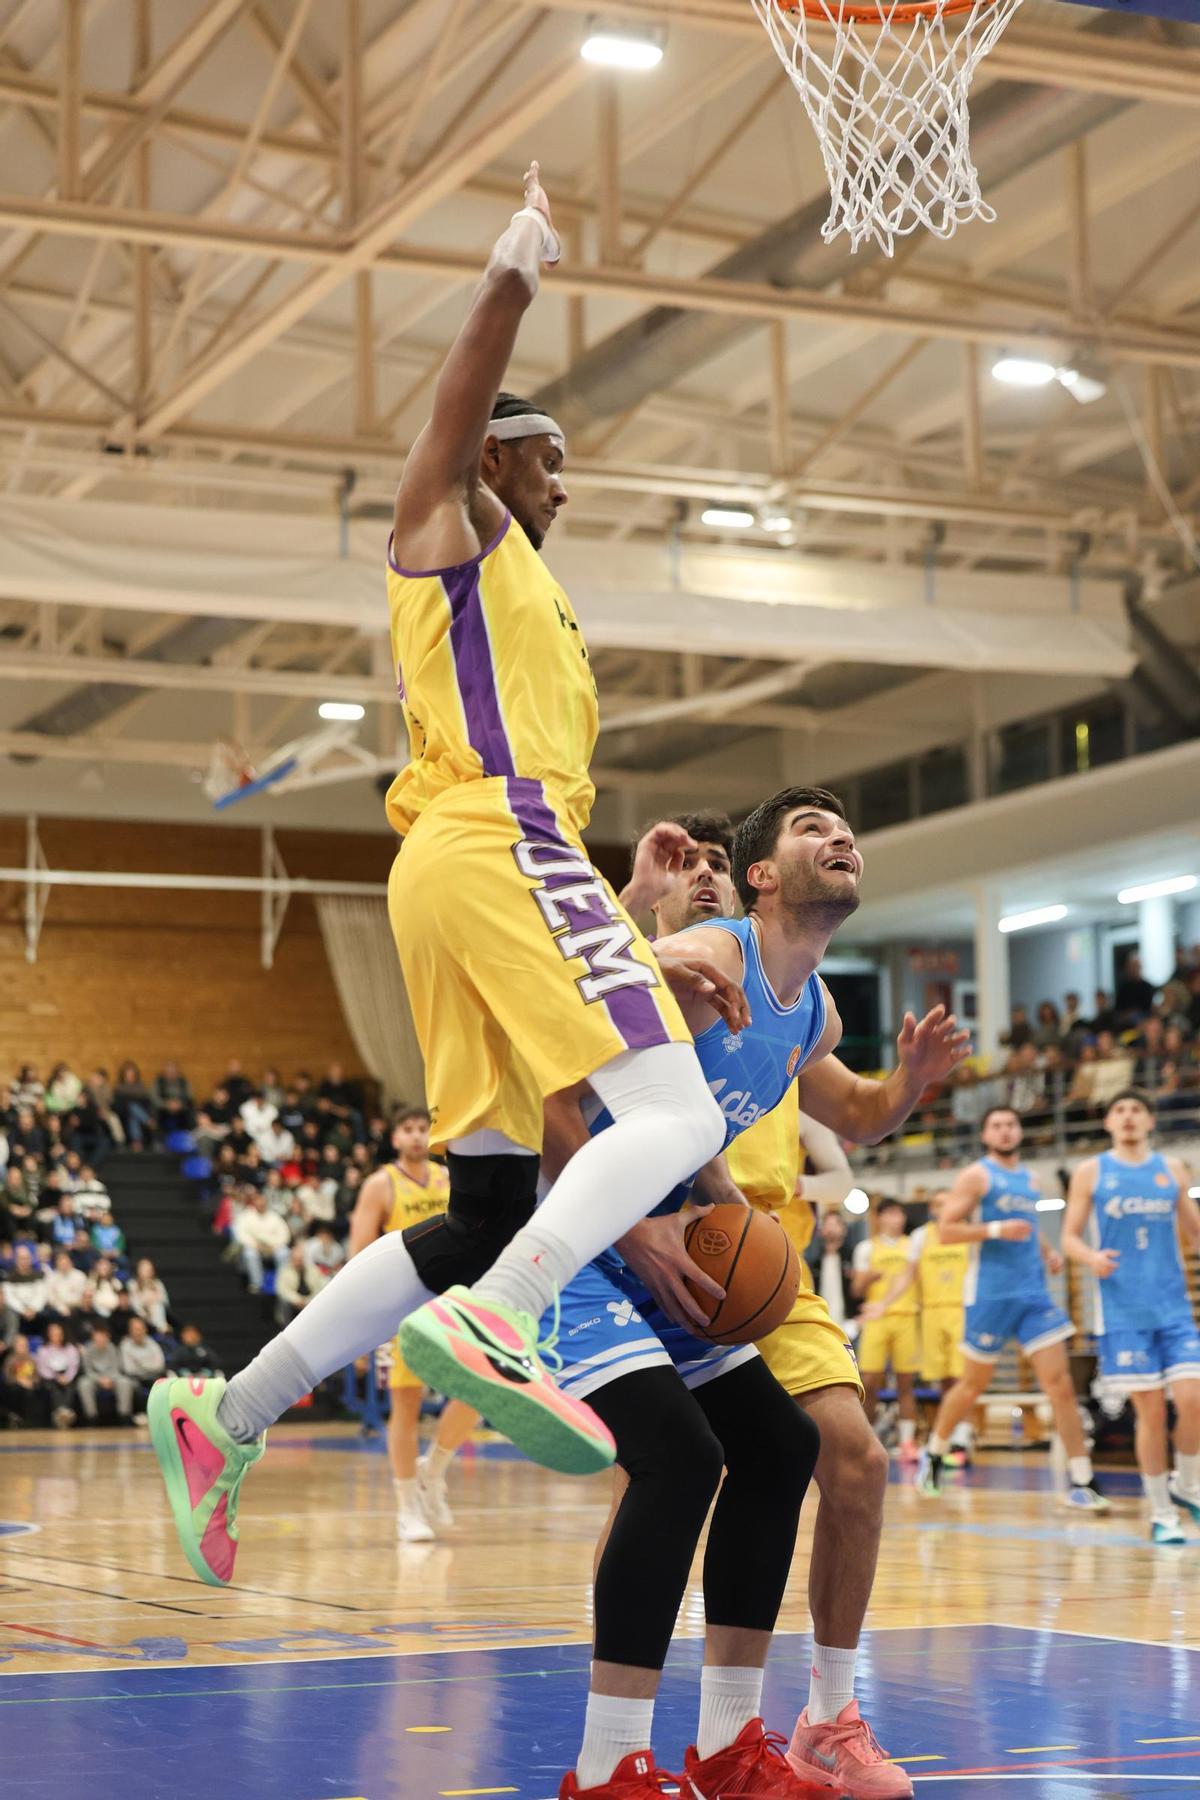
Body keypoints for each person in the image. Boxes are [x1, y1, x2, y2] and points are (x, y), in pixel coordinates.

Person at [148, 161, 750, 1586]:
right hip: (494, 840)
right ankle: (515, 1309)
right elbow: (449, 419)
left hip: (481, 857)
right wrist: (512, 274)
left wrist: (630, 889)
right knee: (665, 1105)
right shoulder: (457, 527)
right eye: (547, 455)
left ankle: (228, 1415)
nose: (564, 476)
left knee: (477, 1206)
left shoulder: (529, 588)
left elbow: (537, 777)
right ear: (496, 459)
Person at [549, 789, 967, 1800]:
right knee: (681, 1460)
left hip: (681, 1249)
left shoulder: (811, 1007)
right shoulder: (712, 966)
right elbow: (552, 1093)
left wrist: (905, 1082)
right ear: (763, 877)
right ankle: (607, 1768)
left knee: (781, 1445)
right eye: (811, 828)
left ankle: (732, 1750)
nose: (842, 837)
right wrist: (636, 1224)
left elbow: (733, 1133)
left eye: (847, 828)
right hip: (583, 1240)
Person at [916, 1107, 1107, 1510]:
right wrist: (996, 1230)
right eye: (997, 1125)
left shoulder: (1031, 1178)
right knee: (971, 1387)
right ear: (986, 1135)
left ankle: (1081, 1478)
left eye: (1011, 1124)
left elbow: (1028, 1226)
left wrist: (1047, 1251)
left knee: (1061, 1388)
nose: (1005, 1131)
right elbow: (946, 1230)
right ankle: (933, 1453)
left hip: (1034, 1296)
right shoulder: (977, 1175)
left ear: (1020, 1131)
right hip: (990, 1295)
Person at [1062, 1090, 1200, 1544]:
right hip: (1122, 1311)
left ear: (1150, 1120)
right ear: (1107, 1122)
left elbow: (1195, 1232)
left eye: (1136, 1110)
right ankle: (1161, 1511)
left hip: (1174, 1307)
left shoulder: (1172, 1170)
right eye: (1119, 1110)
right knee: (1153, 1412)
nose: (1127, 1117)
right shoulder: (1092, 1171)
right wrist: (1092, 1256)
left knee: (1193, 1399)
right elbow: (1069, 1238)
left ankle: (1187, 1486)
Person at [347, 1109, 480, 1542]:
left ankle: (434, 1469)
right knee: (405, 1406)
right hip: (404, 1307)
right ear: (394, 1137)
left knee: (484, 1389)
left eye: (424, 1128)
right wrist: (371, 1314)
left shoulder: (448, 1177)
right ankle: (407, 1509)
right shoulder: (380, 1184)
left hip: (455, 1302)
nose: (418, 1136)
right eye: (408, 1129)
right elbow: (359, 1253)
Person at [862, 1192, 972, 1465]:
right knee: (944, 1381)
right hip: (931, 1312)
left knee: (964, 1381)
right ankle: (945, 1440)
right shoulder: (922, 1236)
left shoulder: (969, 1233)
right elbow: (907, 1277)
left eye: (946, 1202)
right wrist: (883, 1304)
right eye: (937, 1204)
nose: (941, 1208)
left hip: (962, 1309)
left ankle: (963, 1439)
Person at [852, 1200, 920, 1464]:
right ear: (879, 1218)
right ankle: (865, 1439)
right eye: (891, 1214)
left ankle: (907, 1442)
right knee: (869, 1381)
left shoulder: (912, 1245)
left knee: (906, 1383)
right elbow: (856, 1290)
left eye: (900, 1214)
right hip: (876, 1319)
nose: (897, 1219)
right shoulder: (867, 1248)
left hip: (906, 1317)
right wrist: (870, 1277)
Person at [78, 1323, 135, 1425]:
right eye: (97, 1338)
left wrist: (109, 1379)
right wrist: (99, 1379)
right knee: (84, 1384)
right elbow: (88, 1370)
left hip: (112, 1378)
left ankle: (124, 1415)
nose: (100, 1340)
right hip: (94, 1379)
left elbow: (116, 1368)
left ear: (107, 1337)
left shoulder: (112, 1349)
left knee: (125, 1382)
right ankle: (91, 1417)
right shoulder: (88, 1350)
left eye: (102, 1337)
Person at [119, 1315, 165, 1423]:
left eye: (140, 1329)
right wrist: (148, 1366)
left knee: (161, 1385)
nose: (138, 1332)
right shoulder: (125, 1345)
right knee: (133, 1385)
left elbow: (159, 1365)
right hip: (135, 1378)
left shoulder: (153, 1344)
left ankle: (160, 1416)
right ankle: (141, 1414)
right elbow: (129, 1369)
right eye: (135, 1329)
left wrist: (141, 1364)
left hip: (153, 1376)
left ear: (145, 1330)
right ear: (130, 1331)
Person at [36, 1320, 80, 1428]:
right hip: (50, 1377)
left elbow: (73, 1366)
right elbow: (42, 1368)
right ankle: (62, 1413)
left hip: (67, 1376)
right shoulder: (43, 1350)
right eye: (53, 1334)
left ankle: (62, 1414)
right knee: (54, 1388)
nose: (56, 1336)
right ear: (49, 1335)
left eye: (58, 1334)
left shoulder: (70, 1349)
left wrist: (67, 1377)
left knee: (70, 1388)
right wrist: (56, 1377)